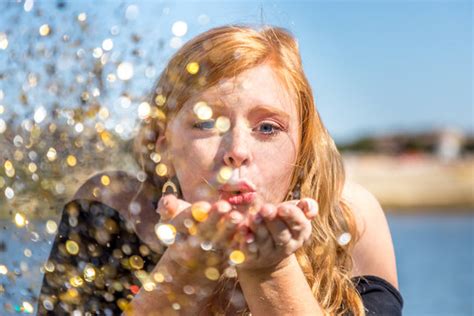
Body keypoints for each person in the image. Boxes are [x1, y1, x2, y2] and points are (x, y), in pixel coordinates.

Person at [38, 24, 403, 315]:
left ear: (302, 146)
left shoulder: (347, 220)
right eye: (205, 123)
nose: (237, 152)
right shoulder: (114, 211)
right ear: (163, 145)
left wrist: (270, 269)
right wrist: (188, 262)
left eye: (267, 128)